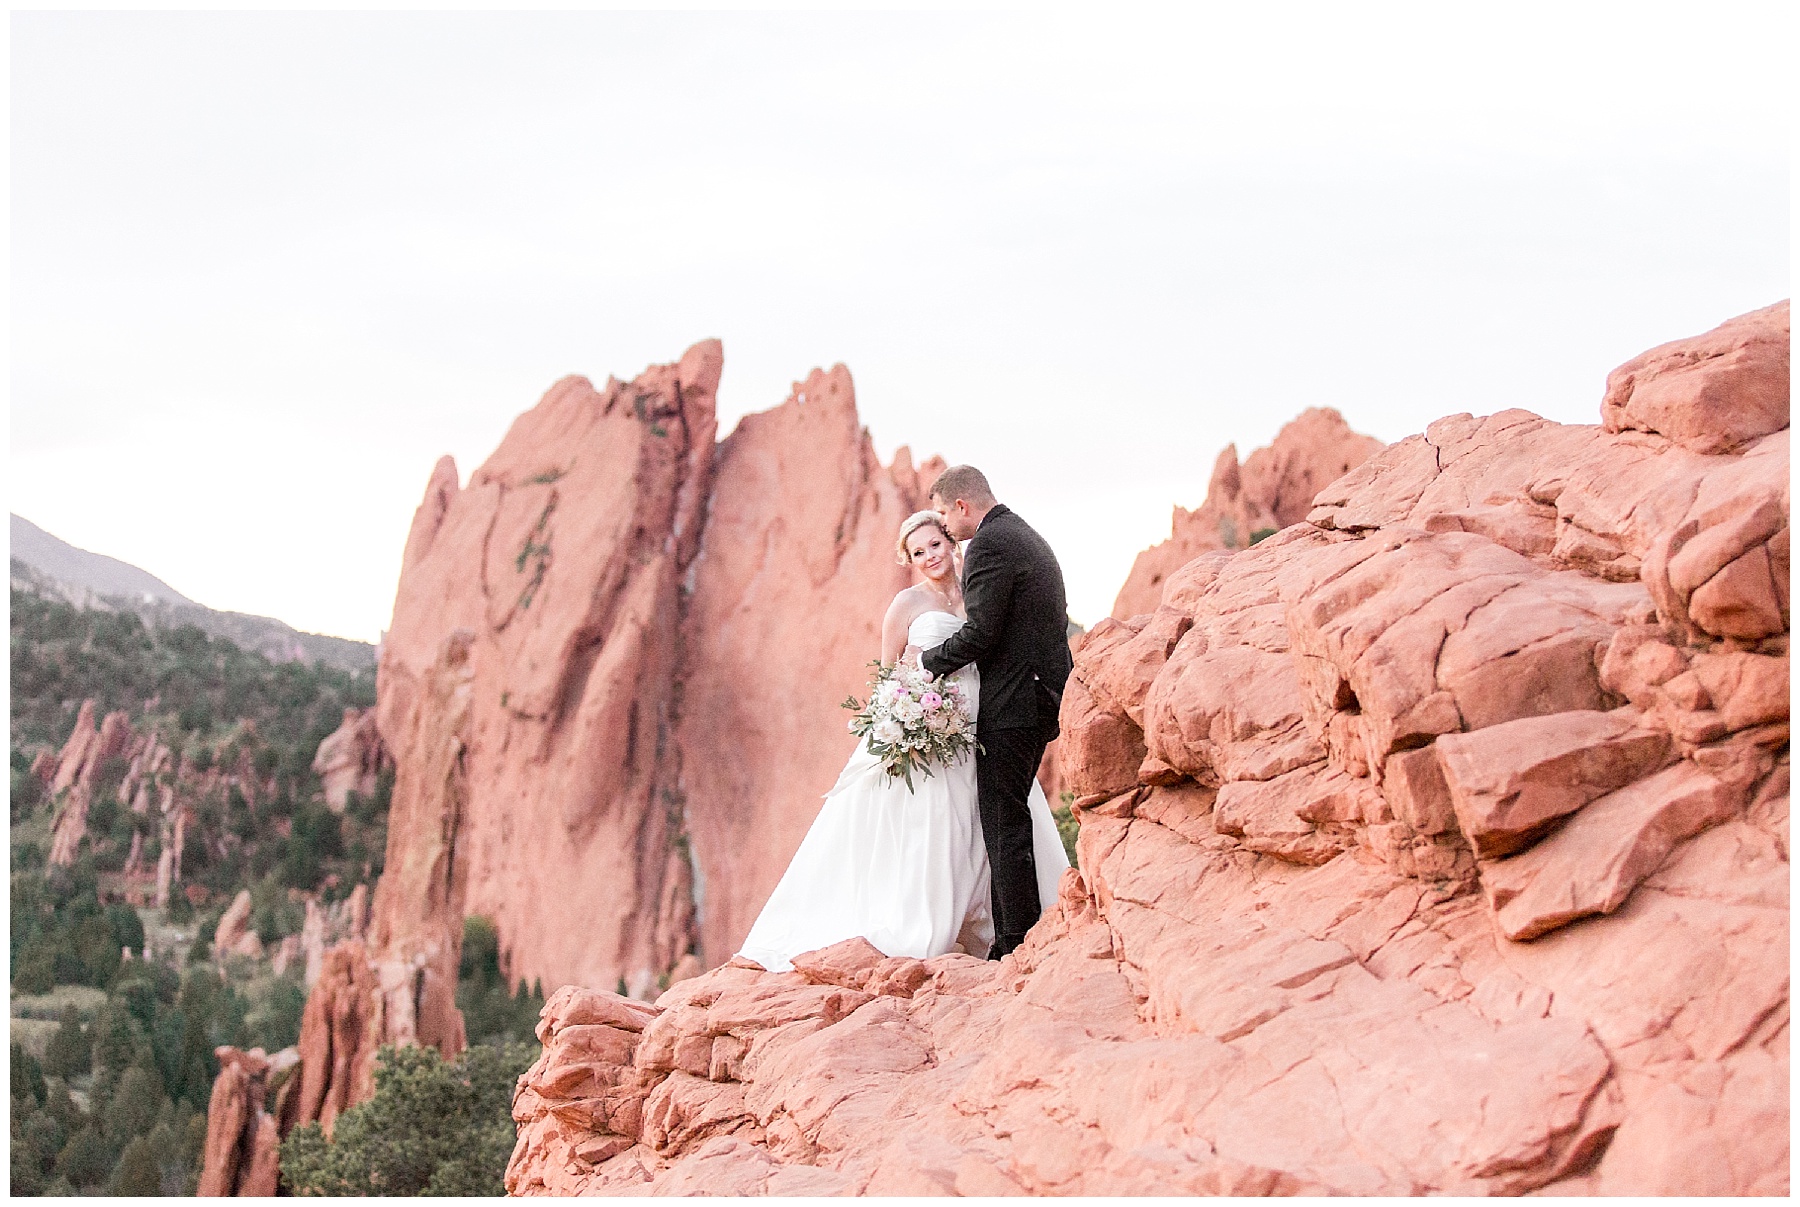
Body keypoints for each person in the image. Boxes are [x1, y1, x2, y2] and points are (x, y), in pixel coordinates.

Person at [736, 509, 1068, 972]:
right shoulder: (906, 605)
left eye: (935, 544)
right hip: (928, 726)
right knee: (933, 820)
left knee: (988, 816)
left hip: (982, 718)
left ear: (951, 543)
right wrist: (910, 717)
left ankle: (1000, 922)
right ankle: (929, 919)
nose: (930, 556)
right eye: (918, 552)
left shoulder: (979, 590)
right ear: (908, 560)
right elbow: (888, 673)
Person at [918, 465, 1074, 960]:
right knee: (1011, 821)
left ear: (962, 506)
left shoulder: (990, 544)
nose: (943, 525)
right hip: (1034, 696)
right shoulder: (1019, 533)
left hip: (1015, 704)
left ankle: (1015, 945)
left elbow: (981, 632)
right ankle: (1019, 937)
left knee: (1004, 826)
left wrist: (927, 664)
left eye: (943, 513)